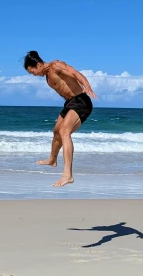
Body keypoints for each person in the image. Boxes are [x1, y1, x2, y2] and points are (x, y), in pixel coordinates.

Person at [24, 51, 97, 187]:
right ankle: (52, 160)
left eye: (32, 71)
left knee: (64, 132)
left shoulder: (56, 66)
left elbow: (76, 74)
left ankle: (67, 175)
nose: (33, 74)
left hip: (81, 101)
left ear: (38, 65)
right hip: (70, 104)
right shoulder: (47, 77)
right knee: (56, 132)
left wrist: (88, 87)